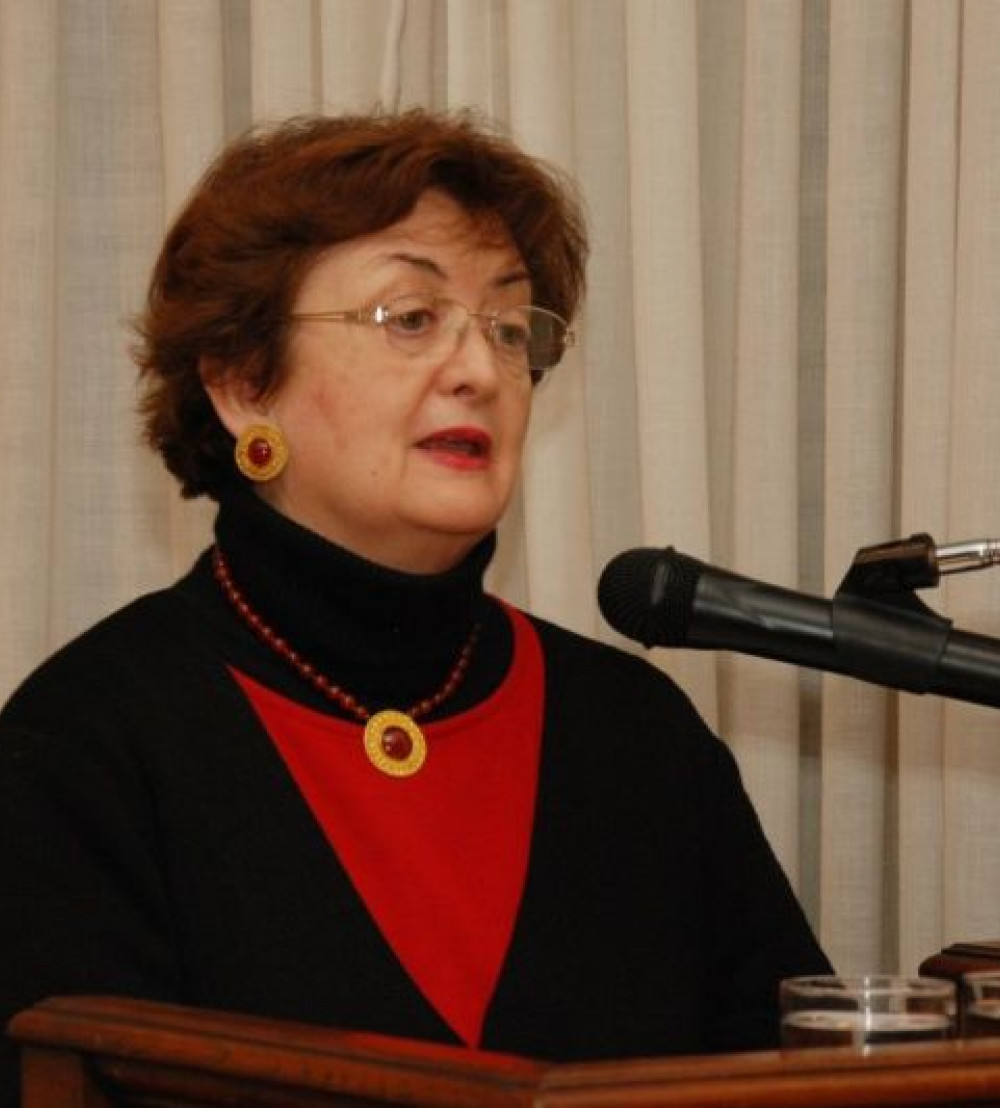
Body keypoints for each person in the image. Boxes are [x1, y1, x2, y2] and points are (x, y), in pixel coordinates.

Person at [0, 108, 831, 1101]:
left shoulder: (636, 734)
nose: (481, 369)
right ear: (241, 381)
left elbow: (801, 1074)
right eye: (410, 318)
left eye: (509, 326)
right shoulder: (86, 741)